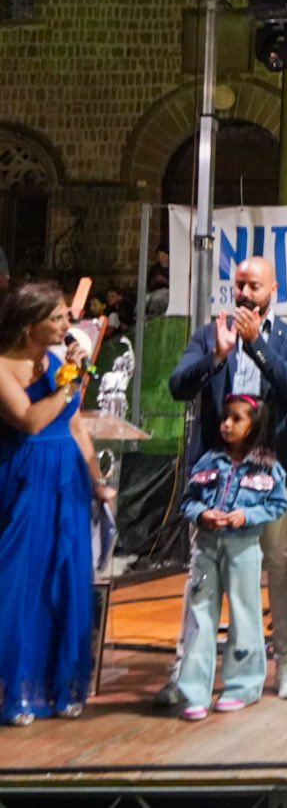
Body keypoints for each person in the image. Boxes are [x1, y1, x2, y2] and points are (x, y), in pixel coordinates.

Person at [166, 257, 287, 703]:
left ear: (274, 288)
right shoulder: (211, 335)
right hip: (218, 476)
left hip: (271, 473)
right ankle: (185, 672)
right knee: (203, 576)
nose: (245, 295)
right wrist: (218, 355)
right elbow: (178, 386)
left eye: (254, 286)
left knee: (279, 566)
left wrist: (256, 347)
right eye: (239, 286)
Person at [0, 283, 113, 726]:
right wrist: (69, 384)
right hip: (26, 477)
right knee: (19, 580)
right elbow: (29, 421)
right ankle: (18, 689)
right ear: (31, 325)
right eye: (59, 318)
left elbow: (75, 426)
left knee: (64, 578)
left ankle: (60, 684)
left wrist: (98, 481)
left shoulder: (57, 363)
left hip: (67, 477)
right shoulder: (4, 367)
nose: (69, 326)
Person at [176, 394, 287, 720]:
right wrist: (202, 513)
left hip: (244, 549)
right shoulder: (209, 461)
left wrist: (247, 515)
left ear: (255, 425)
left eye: (237, 419)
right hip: (206, 548)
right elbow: (188, 500)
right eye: (226, 417)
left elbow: (278, 504)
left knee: (245, 614)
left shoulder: (268, 466)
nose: (227, 424)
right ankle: (193, 691)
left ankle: (243, 685)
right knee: (200, 616)